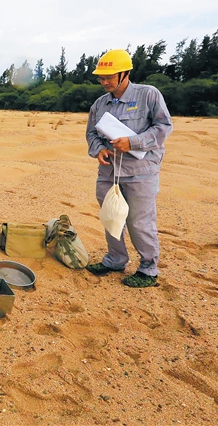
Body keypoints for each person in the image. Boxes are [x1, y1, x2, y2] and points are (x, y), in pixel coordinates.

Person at [85, 49, 173, 288]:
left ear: (125, 74)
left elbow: (164, 126)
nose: (104, 82)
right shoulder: (99, 104)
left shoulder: (148, 95)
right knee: (111, 217)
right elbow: (92, 133)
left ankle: (148, 269)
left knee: (139, 222)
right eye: (101, 78)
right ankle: (115, 260)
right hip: (109, 172)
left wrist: (132, 142)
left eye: (109, 77)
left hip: (140, 172)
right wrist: (98, 150)